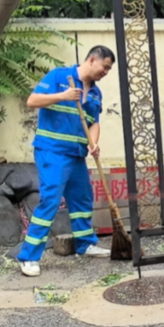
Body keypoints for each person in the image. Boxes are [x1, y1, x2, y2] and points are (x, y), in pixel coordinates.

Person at [18, 46, 116, 277]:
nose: (106, 72)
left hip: (76, 154)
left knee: (82, 199)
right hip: (52, 152)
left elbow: (94, 122)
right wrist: (63, 96)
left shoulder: (95, 94)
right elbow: (32, 101)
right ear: (92, 60)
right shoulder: (59, 77)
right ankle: (29, 257)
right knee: (50, 201)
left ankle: (85, 245)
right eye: (105, 67)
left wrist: (93, 143)